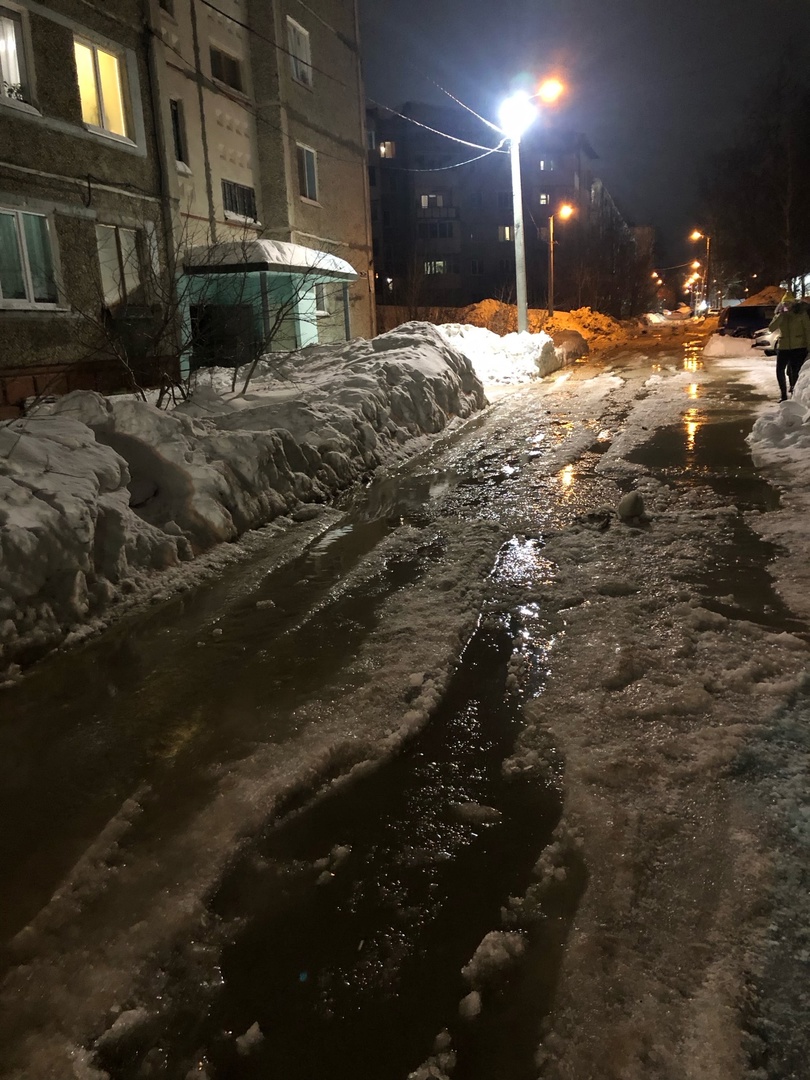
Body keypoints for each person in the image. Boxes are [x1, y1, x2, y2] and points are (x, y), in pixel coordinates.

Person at [768, 296, 810, 401]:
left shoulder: (800, 314)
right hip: (783, 346)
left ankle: (795, 393)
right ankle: (783, 395)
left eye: (789, 303)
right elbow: (771, 328)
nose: (786, 306)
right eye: (784, 304)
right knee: (779, 370)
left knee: (794, 371)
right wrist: (781, 316)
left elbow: (808, 331)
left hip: (799, 347)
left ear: (794, 304)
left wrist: (809, 347)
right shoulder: (780, 315)